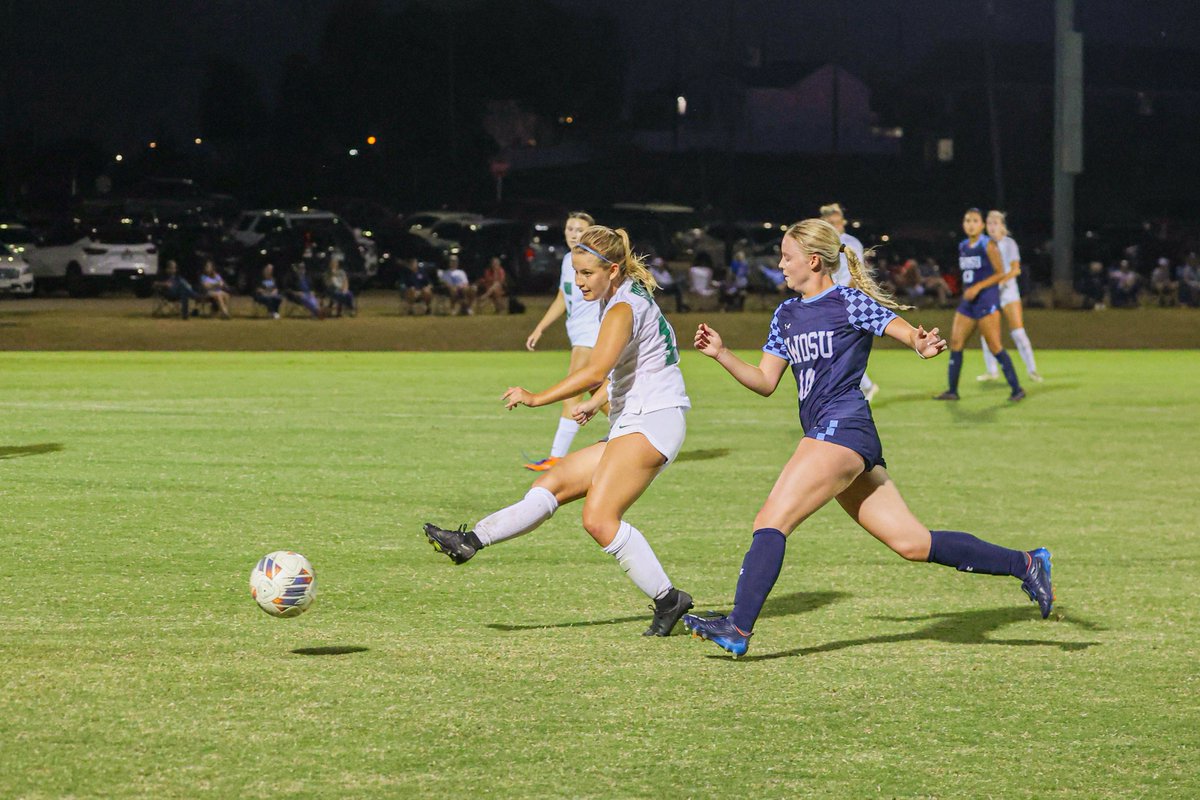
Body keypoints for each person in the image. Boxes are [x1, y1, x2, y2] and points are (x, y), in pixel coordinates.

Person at [681, 218, 1054, 658]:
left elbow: (903, 330)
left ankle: (738, 627)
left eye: (787, 256)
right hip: (836, 438)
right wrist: (722, 354)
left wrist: (921, 343)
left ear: (813, 261)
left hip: (843, 428)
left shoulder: (848, 303)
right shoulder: (786, 314)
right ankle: (1027, 563)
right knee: (913, 544)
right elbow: (765, 382)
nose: (780, 264)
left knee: (770, 519)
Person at [422, 225, 695, 637]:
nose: (578, 281)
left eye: (586, 273)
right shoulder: (622, 298)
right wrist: (594, 400)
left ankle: (669, 599)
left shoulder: (621, 308)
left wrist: (537, 397)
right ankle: (471, 541)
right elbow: (634, 366)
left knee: (599, 519)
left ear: (613, 270)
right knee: (553, 483)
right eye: (576, 272)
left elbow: (595, 369)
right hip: (636, 418)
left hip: (654, 420)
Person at [523, 212, 602, 471]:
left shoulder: (596, 260)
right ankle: (635, 432)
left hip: (592, 335)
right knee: (596, 392)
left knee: (572, 391)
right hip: (578, 333)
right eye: (570, 228)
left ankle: (556, 457)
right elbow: (562, 297)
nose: (573, 233)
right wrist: (541, 327)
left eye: (579, 229)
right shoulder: (569, 260)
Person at [934, 208, 1025, 402]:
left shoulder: (988, 245)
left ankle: (1017, 389)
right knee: (956, 343)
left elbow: (1001, 272)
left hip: (986, 300)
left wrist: (978, 287)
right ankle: (952, 390)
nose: (970, 224)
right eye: (967, 220)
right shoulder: (963, 246)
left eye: (975, 221)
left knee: (994, 346)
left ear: (982, 225)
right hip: (968, 303)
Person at [820, 203, 879, 402]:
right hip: (832, 300)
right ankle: (863, 386)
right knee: (836, 347)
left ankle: (863, 387)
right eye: (830, 223)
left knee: (839, 347)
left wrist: (843, 296)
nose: (835, 226)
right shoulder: (823, 244)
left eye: (837, 222)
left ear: (843, 222)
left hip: (847, 301)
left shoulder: (850, 242)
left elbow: (857, 273)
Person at [978, 211, 1042, 383]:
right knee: (987, 334)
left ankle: (1032, 370)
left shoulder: (1009, 244)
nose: (992, 226)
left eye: (995, 223)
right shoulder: (984, 245)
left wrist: (999, 282)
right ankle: (992, 372)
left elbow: (1015, 269)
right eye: (989, 223)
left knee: (1018, 333)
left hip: (1009, 293)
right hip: (991, 294)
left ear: (1002, 226)